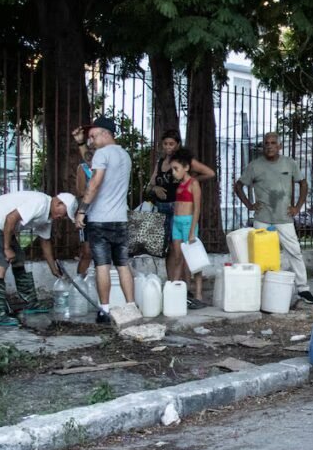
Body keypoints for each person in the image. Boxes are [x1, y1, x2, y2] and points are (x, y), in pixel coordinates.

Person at [234, 132, 313, 305]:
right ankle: (261, 290)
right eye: (266, 143)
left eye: (273, 143)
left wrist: (298, 207)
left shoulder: (289, 163)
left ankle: (303, 289)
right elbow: (239, 186)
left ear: (279, 146)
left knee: (295, 252)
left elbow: (303, 183)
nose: (269, 146)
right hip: (263, 218)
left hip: (284, 218)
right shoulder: (254, 166)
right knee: (260, 256)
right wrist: (250, 205)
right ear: (263, 146)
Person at [0, 191, 77, 326]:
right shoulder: (40, 203)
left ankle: (30, 303)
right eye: (64, 213)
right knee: (2, 261)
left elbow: (45, 242)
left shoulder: (48, 217)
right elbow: (11, 218)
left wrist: (53, 268)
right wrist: (6, 248)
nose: (62, 218)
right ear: (58, 203)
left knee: (19, 257)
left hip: (3, 225)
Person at [74, 116, 135, 324]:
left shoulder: (102, 154)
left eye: (93, 136)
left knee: (102, 265)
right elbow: (92, 164)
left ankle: (104, 310)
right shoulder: (125, 155)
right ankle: (131, 307)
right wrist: (81, 144)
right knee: (123, 264)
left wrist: (82, 211)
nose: (91, 141)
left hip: (100, 220)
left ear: (106, 133)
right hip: (120, 219)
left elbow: (94, 183)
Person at [146, 129, 216, 290]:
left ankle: (187, 286)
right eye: (165, 144)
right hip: (163, 209)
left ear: (177, 145)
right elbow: (150, 184)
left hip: (180, 208)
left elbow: (210, 173)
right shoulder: (161, 162)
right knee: (170, 249)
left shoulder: (185, 161)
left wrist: (191, 182)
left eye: (171, 144)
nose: (168, 147)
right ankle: (173, 285)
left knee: (186, 251)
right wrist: (155, 188)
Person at [169, 149, 205, 306]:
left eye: (176, 169)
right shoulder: (179, 185)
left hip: (188, 223)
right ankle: (175, 290)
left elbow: (196, 208)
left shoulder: (194, 184)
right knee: (177, 258)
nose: (173, 172)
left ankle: (198, 293)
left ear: (186, 168)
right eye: (172, 169)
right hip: (176, 222)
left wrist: (191, 232)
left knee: (194, 260)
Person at [71, 126, 95, 278]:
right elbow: (80, 191)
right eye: (90, 139)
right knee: (87, 251)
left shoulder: (109, 164)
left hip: (108, 213)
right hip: (89, 213)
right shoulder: (84, 167)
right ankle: (79, 283)